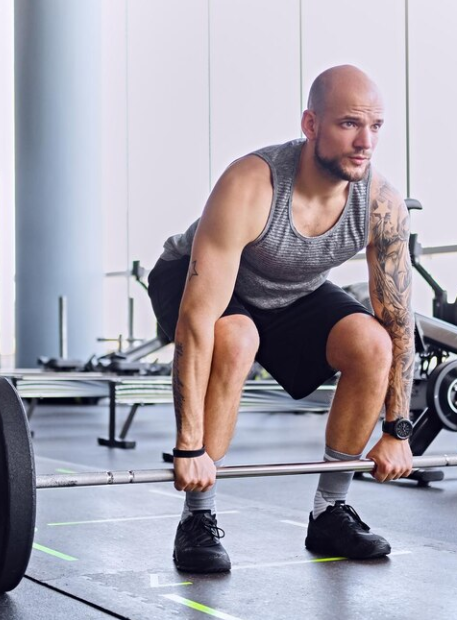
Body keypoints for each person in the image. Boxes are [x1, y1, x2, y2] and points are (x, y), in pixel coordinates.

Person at [147, 64, 414, 573]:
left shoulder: (380, 204)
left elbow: (399, 322)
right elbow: (199, 321)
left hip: (291, 291)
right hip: (192, 280)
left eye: (375, 126)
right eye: (349, 124)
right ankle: (197, 517)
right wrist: (188, 447)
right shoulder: (252, 183)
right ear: (310, 125)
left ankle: (329, 511)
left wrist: (397, 430)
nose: (365, 142)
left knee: (372, 343)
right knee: (237, 335)